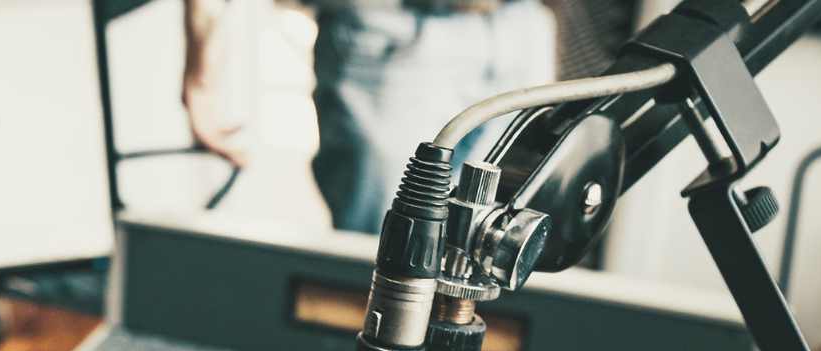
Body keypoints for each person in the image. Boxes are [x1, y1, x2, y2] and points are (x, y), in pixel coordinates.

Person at [184, 0, 558, 233]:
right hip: (391, 31)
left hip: (521, 24)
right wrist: (202, 81)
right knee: (384, 264)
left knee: (496, 251)